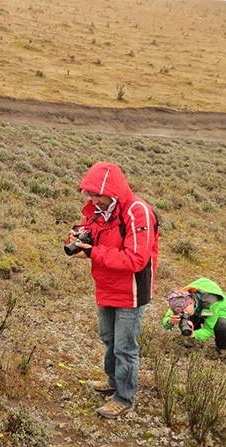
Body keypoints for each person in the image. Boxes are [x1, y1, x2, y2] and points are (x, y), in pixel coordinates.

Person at [67, 161, 159, 418]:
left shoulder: (137, 211)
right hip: (106, 285)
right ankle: (113, 379)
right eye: (90, 195)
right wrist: (76, 239)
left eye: (97, 195)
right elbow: (87, 230)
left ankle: (124, 397)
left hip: (131, 290)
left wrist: (93, 252)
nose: (93, 200)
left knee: (125, 346)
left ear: (111, 191)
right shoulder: (98, 210)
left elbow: (136, 259)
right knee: (108, 338)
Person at [163, 277, 226, 363]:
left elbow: (209, 329)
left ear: (191, 302)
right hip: (199, 309)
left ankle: (223, 347)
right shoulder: (178, 300)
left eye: (185, 311)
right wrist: (169, 322)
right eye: (180, 312)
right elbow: (166, 319)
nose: (183, 313)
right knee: (187, 316)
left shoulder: (212, 303)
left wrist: (194, 335)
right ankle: (192, 333)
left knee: (222, 325)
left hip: (221, 312)